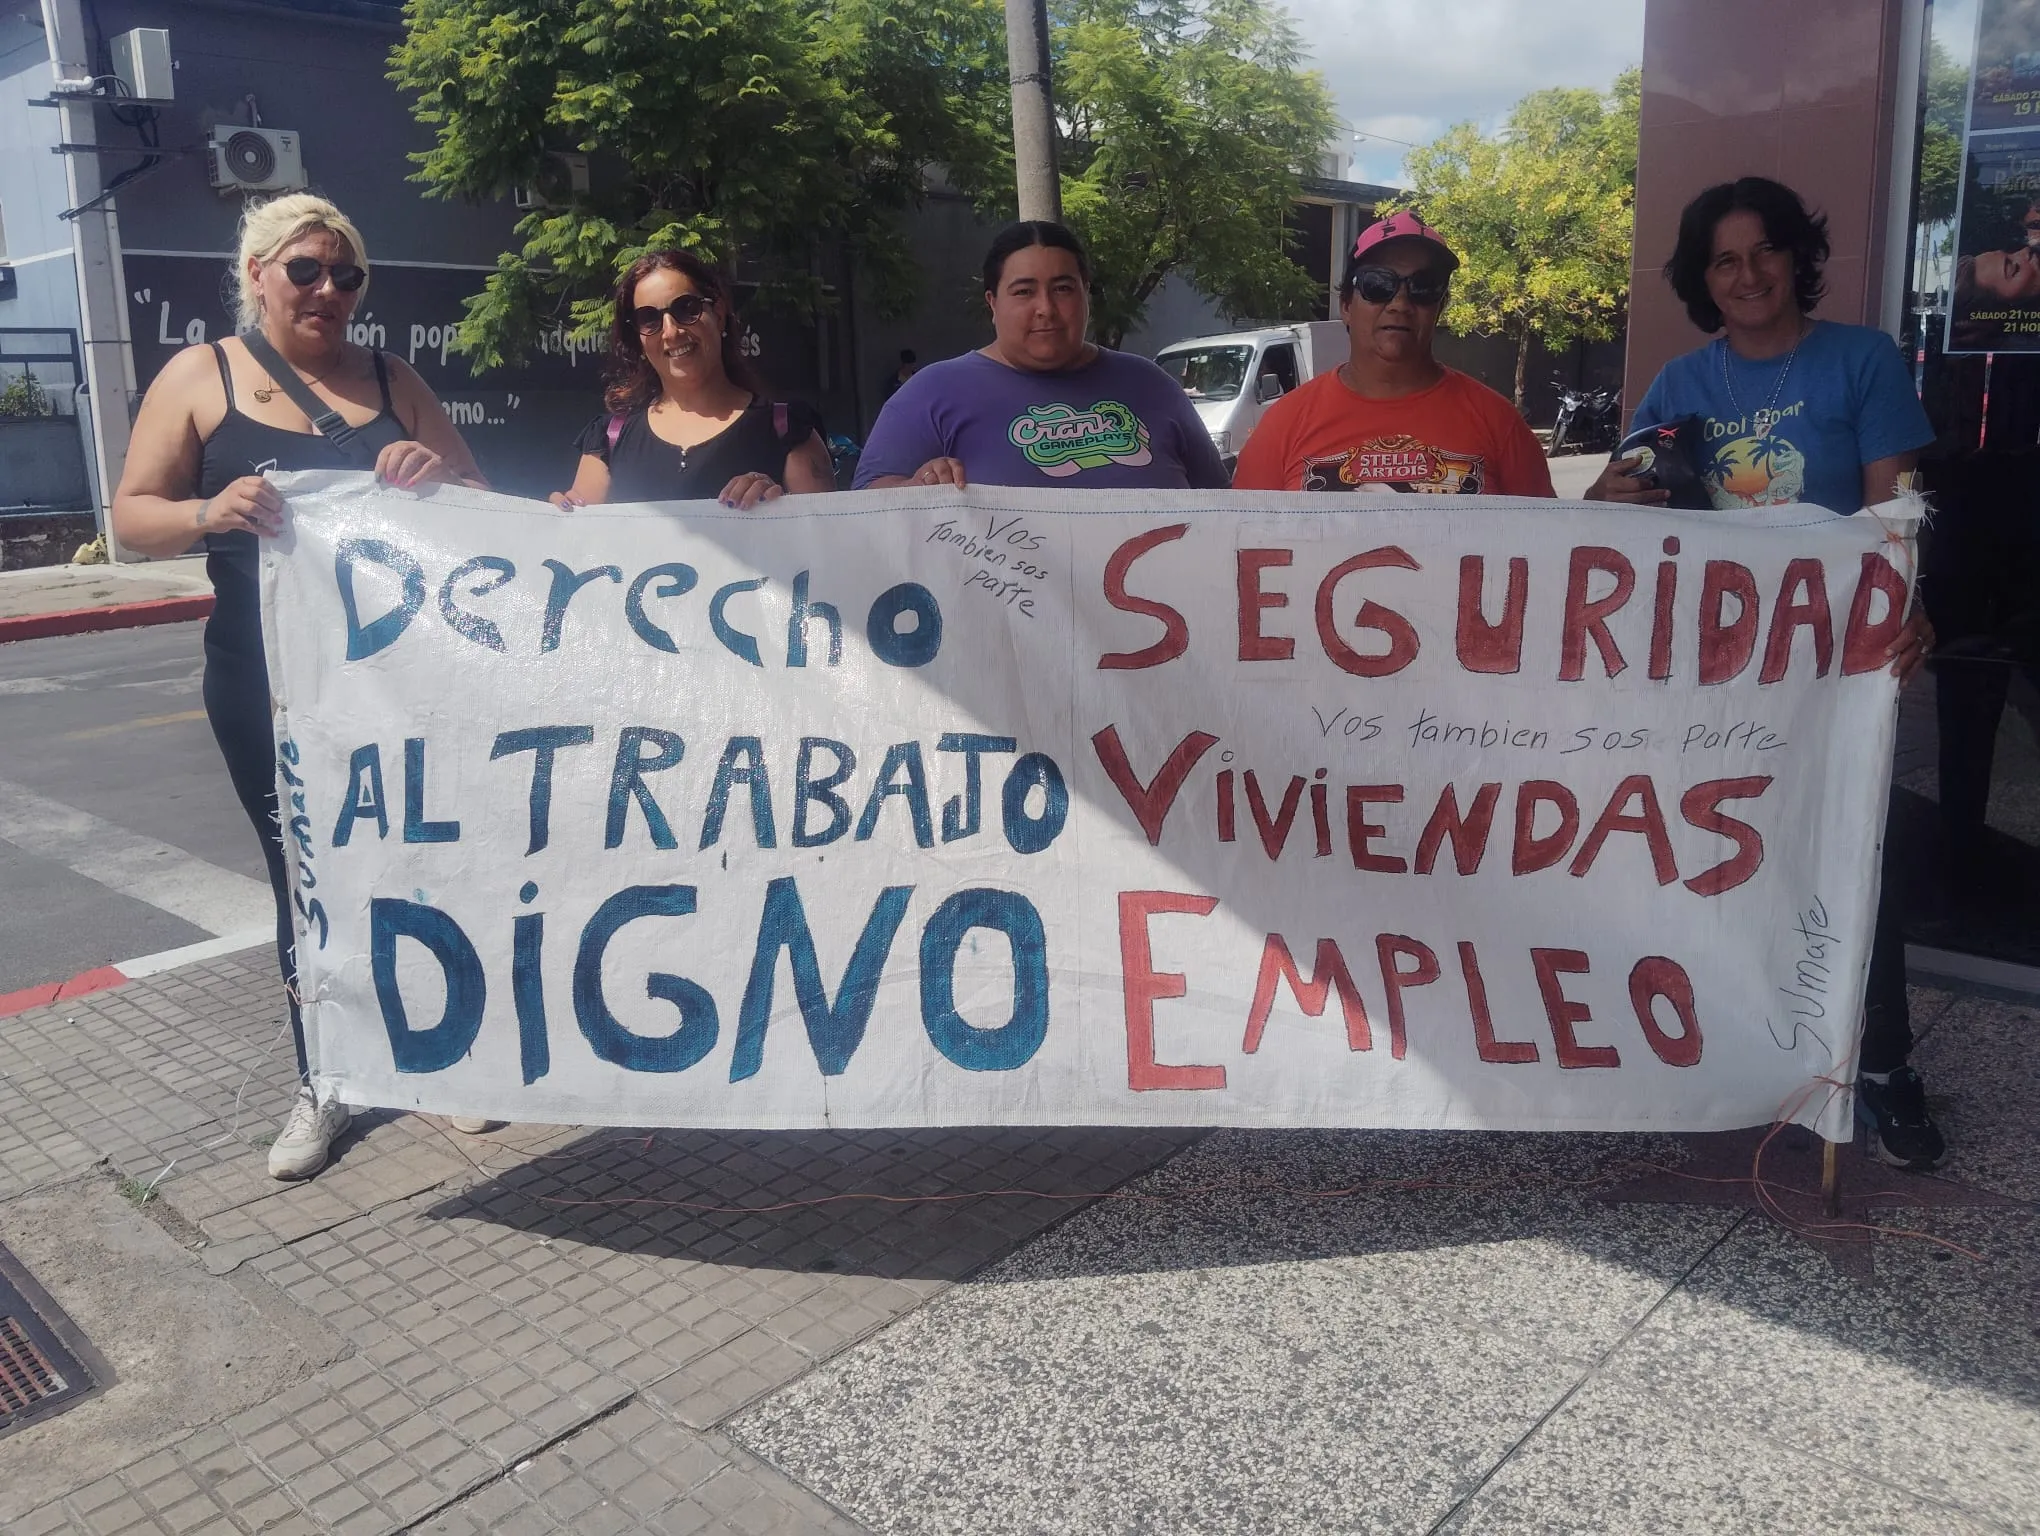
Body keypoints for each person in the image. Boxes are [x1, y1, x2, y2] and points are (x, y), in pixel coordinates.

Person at [111, 194, 489, 1181]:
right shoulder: (200, 376)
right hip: (264, 682)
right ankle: (324, 1078)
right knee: (307, 877)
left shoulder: (394, 380)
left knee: (419, 865)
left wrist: (433, 476)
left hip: (402, 684)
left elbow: (481, 505)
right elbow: (133, 516)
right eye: (305, 270)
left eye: (345, 274)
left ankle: (438, 1055)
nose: (328, 290)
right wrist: (209, 510)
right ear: (258, 275)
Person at [1586, 176, 1942, 1169]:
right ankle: (1741, 1050)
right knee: (1724, 858)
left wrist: (1908, 601)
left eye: (1765, 251)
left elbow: (1894, 519)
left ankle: (1882, 1068)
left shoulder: (1862, 361)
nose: (1748, 275)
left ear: (1797, 256)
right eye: (1724, 261)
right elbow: (1618, 515)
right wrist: (1606, 497)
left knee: (1853, 856)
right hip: (1714, 677)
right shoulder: (1679, 385)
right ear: (1703, 280)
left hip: (1834, 669)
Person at [854, 221, 1229, 491]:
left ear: (1085, 294)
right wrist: (917, 488)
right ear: (992, 302)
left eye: (1063, 289)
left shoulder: (1151, 385)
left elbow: (1222, 507)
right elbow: (865, 508)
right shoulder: (931, 394)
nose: (1046, 309)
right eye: (1023, 292)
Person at [1232, 211, 1554, 497]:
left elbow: (1547, 539)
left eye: (1423, 286)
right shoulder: (1282, 427)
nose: (1400, 303)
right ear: (1346, 306)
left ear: (1440, 308)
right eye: (1378, 284)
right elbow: (1240, 537)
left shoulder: (1499, 424)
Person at [553, 250, 833, 510]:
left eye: (686, 308)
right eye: (649, 318)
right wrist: (558, 520)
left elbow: (825, 537)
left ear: (719, 314)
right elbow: (582, 541)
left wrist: (779, 505)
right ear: (638, 338)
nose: (671, 332)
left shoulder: (788, 432)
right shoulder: (608, 440)